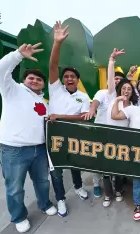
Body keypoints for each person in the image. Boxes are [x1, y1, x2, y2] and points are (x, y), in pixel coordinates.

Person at [0, 42, 57, 233]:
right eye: (31, 78)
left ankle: (44, 204)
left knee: (43, 182)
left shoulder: (43, 101)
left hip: (39, 149)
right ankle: (18, 216)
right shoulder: (12, 90)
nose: (35, 81)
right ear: (24, 80)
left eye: (39, 79)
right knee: (15, 188)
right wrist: (17, 55)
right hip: (14, 150)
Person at [45, 21, 91, 217]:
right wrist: (57, 43)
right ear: (62, 79)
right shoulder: (55, 90)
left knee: (75, 165)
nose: (69, 78)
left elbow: (83, 118)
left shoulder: (84, 97)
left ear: (77, 79)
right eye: (66, 76)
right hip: (54, 138)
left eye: (73, 76)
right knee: (56, 171)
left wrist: (60, 117)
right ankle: (61, 199)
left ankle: (79, 187)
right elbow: (53, 65)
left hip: (73, 136)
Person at [81, 48, 126, 198]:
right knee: (98, 160)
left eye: (120, 79)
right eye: (115, 79)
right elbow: (95, 103)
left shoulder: (122, 98)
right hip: (99, 132)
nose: (117, 81)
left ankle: (114, 185)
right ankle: (95, 183)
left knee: (112, 161)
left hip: (115, 134)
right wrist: (111, 61)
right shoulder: (103, 92)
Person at [111, 86, 140, 221]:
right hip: (135, 150)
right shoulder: (133, 109)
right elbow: (114, 116)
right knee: (137, 178)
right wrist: (117, 100)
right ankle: (138, 204)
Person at [102, 78, 137, 207]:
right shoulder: (111, 99)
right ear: (119, 89)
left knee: (119, 169)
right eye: (124, 88)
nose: (126, 91)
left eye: (129, 89)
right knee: (106, 169)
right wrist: (111, 61)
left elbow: (122, 119)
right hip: (108, 139)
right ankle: (107, 194)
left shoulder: (133, 107)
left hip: (123, 141)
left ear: (132, 92)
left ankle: (118, 191)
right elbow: (112, 115)